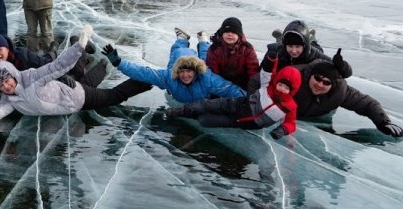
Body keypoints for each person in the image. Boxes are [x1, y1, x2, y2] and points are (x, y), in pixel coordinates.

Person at [0, 26, 154, 120]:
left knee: (111, 96)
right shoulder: (8, 98)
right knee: (86, 79)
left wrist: (79, 46)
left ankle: (146, 81)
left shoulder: (29, 77)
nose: (7, 86)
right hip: (70, 99)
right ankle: (102, 65)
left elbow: (54, 66)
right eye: (2, 85)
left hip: (76, 96)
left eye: (7, 82)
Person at [102, 29, 245, 104]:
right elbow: (143, 73)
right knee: (177, 52)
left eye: (189, 72)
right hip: (179, 58)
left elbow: (230, 89)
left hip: (194, 60)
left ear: (195, 72)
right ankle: (182, 39)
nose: (185, 75)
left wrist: (248, 100)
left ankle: (203, 40)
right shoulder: (170, 77)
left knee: (205, 58)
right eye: (182, 72)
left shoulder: (207, 78)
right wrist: (119, 63)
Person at [169, 65, 300, 139]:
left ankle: (191, 115)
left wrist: (281, 130)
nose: (282, 89)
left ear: (292, 90)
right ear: (276, 82)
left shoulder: (290, 107)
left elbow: (291, 123)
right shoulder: (268, 87)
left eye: (287, 88)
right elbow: (267, 71)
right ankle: (181, 111)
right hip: (237, 104)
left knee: (205, 120)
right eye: (281, 85)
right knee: (207, 104)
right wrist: (271, 56)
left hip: (245, 123)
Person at [294, 59, 403, 137]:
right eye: (317, 78)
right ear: (310, 75)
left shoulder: (339, 93)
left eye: (326, 82)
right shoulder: (293, 80)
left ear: (333, 85)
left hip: (317, 116)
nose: (320, 84)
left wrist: (384, 122)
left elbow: (367, 104)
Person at [260, 20, 351, 85]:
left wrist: (341, 64)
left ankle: (312, 37)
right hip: (282, 47)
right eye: (290, 46)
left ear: (304, 45)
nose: (294, 51)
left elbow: (346, 74)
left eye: (298, 46)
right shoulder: (275, 50)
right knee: (279, 45)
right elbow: (260, 72)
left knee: (316, 46)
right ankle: (280, 37)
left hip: (311, 47)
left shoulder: (314, 54)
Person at [202, 17, 261, 93]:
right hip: (222, 84)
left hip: (243, 83)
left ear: (239, 35)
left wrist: (252, 90)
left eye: (233, 32)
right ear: (222, 34)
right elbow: (213, 73)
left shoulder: (247, 48)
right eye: (227, 32)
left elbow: (253, 71)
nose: (230, 34)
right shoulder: (214, 49)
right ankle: (202, 42)